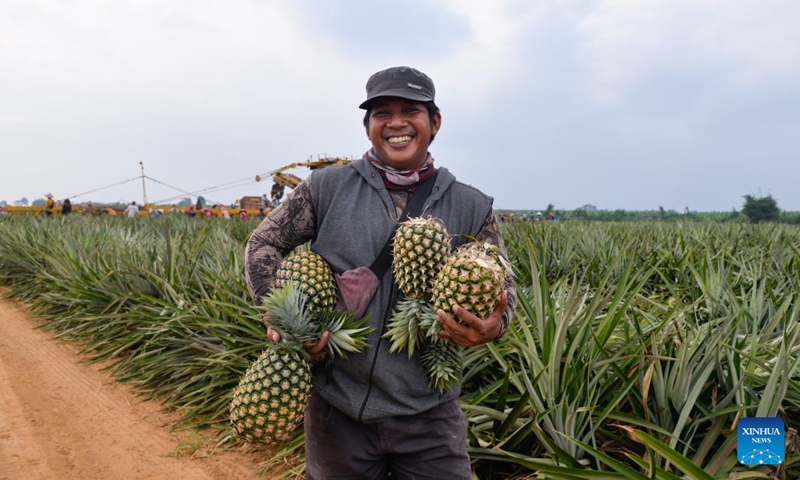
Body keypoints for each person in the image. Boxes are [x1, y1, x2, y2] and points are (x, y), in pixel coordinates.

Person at [245, 66, 516, 479]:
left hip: (430, 414)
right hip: (338, 410)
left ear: (435, 122)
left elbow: (505, 290)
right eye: (381, 112)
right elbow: (263, 244)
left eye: (411, 110)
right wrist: (285, 321)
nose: (396, 123)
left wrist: (493, 327)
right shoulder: (325, 187)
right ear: (368, 125)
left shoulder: (471, 206)